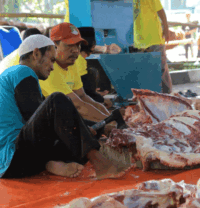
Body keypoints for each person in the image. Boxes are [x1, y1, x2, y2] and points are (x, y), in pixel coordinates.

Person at [0, 34, 126, 179]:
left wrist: (88, 127)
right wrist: (82, 130)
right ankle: (100, 164)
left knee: (90, 129)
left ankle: (50, 164)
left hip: (22, 162)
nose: (53, 67)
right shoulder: (21, 71)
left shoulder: (21, 78)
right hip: (12, 158)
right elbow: (36, 118)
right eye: (51, 60)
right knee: (57, 99)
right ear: (36, 54)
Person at [39, 23, 110, 122]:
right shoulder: (48, 67)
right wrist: (110, 123)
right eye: (69, 45)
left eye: (78, 45)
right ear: (54, 45)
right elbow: (78, 106)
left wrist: (111, 118)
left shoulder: (72, 63)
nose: (76, 50)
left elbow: (82, 97)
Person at [118, 0, 172, 94]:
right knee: (143, 72)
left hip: (153, 37)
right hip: (136, 41)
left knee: (161, 70)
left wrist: (166, 28)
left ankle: (169, 97)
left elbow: (160, 10)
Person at [76, 27, 113, 108]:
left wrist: (95, 93)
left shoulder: (78, 59)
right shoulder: (79, 61)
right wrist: (101, 99)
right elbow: (85, 92)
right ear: (92, 46)